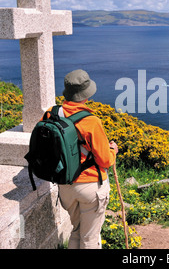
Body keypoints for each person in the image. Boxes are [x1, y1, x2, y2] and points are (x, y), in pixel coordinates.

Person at [55, 69, 118, 249]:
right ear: (86, 94)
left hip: (65, 185)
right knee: (90, 239)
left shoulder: (52, 114)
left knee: (77, 230)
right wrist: (113, 150)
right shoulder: (91, 121)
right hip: (90, 187)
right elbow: (105, 161)